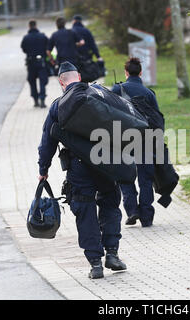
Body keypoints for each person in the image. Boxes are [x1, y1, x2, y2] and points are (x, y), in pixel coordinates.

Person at [37, 62, 127, 279]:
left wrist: (43, 168)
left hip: (78, 167)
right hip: (105, 162)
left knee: (85, 210)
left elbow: (47, 141)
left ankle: (95, 263)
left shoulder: (58, 106)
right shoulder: (99, 94)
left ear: (61, 81)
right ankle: (112, 253)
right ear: (78, 76)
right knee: (110, 202)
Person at [111, 58, 160, 228]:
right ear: (140, 73)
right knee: (145, 178)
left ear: (125, 73)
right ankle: (147, 216)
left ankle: (132, 210)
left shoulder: (117, 89)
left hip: (122, 139)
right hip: (145, 139)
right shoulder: (148, 93)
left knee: (125, 176)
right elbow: (157, 119)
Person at [21, 20, 49, 108]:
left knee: (32, 81)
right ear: (36, 26)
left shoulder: (26, 37)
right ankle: (42, 100)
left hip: (31, 62)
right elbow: (48, 46)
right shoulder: (43, 36)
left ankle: (35, 100)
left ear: (29, 26)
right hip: (41, 62)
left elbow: (23, 48)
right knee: (42, 81)